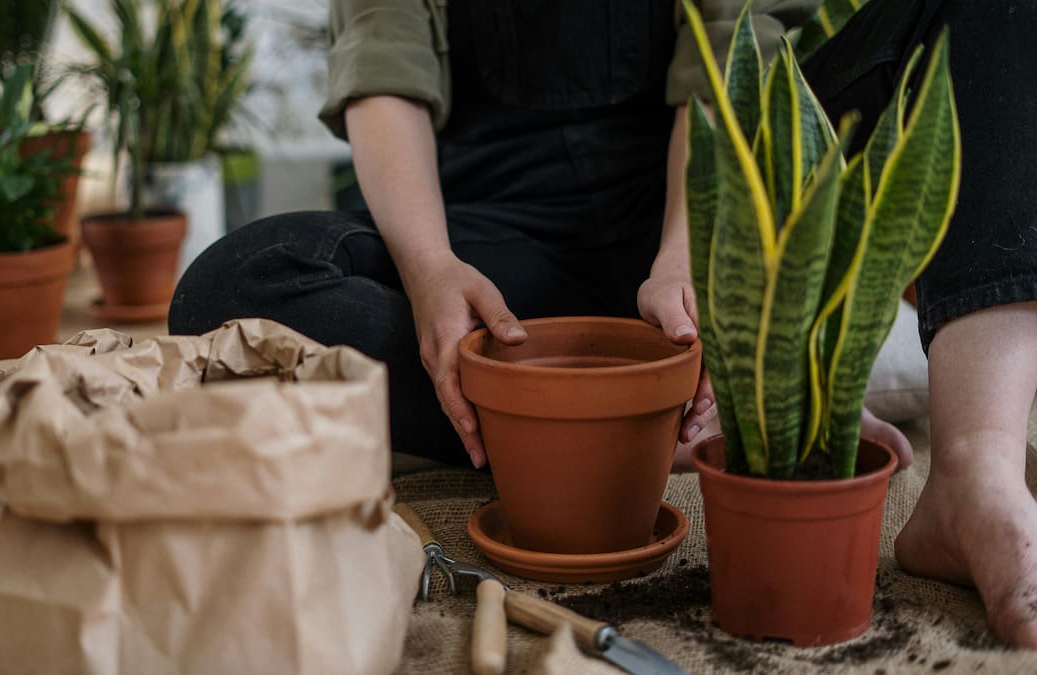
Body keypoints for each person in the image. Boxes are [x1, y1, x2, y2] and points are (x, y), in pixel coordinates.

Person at [168, 0, 1037, 647]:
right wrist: (430, 271)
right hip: (494, 245)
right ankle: (653, 418)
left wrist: (689, 263)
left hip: (714, 203)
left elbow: (730, 54)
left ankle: (973, 473)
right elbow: (384, 68)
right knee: (233, 285)